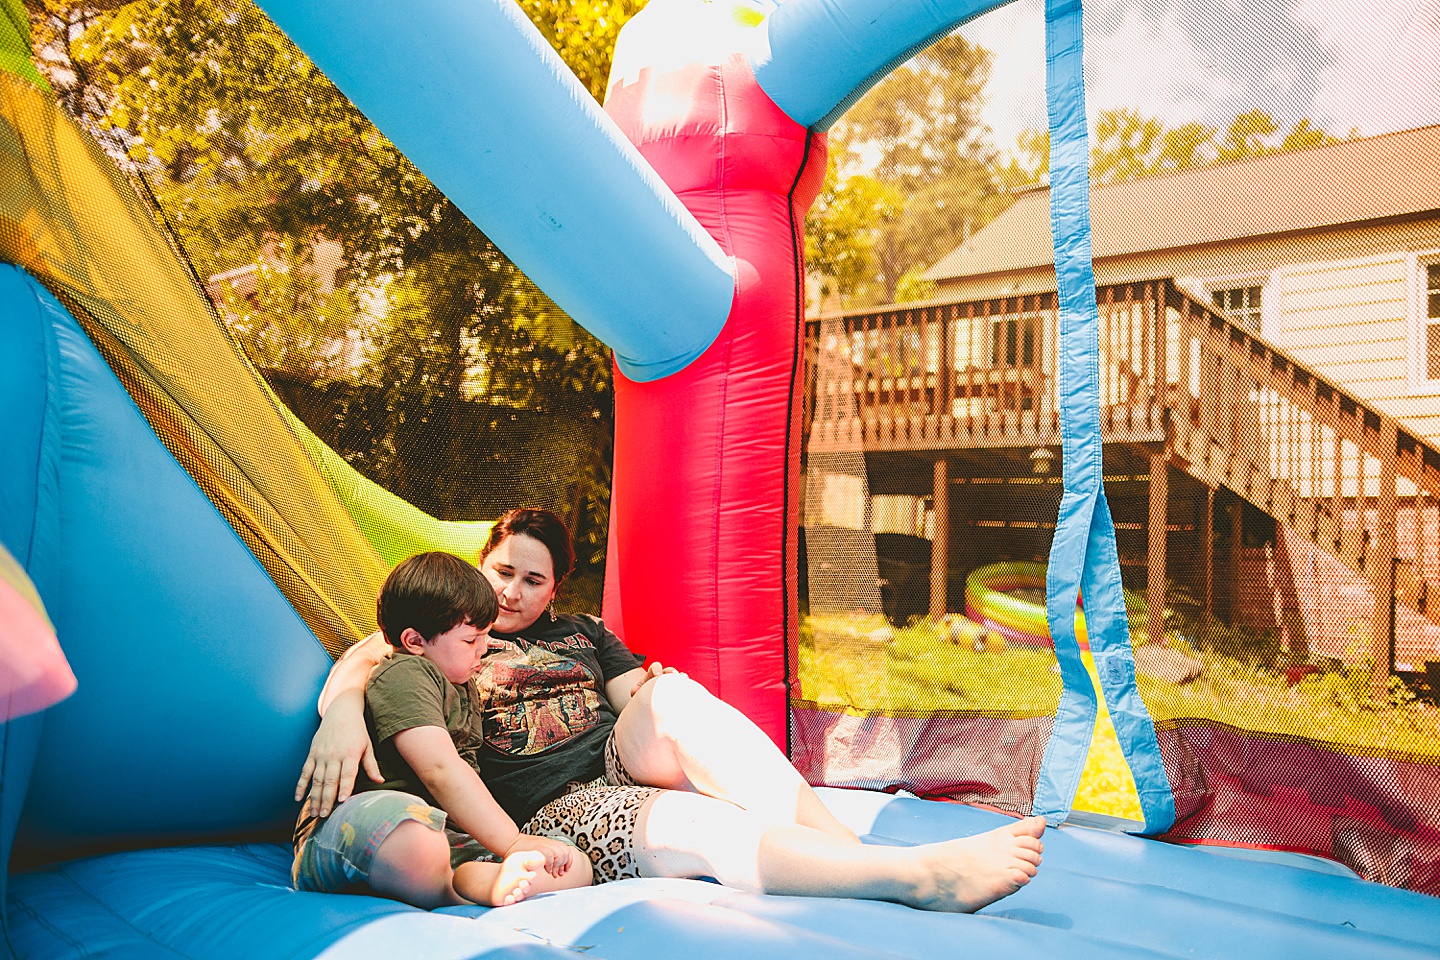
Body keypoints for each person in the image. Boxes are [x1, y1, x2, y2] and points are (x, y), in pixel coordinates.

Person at [297, 509, 1045, 912]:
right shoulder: (452, 630)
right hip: (551, 807)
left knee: (677, 695)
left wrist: (662, 699)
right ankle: (912, 878)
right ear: (479, 568)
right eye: (502, 573)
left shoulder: (584, 633)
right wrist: (340, 709)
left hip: (612, 759)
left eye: (533, 580)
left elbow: (641, 706)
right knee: (701, 827)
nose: (512, 594)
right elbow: (373, 659)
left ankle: (847, 850)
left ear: (557, 588)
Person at [291, 551, 593, 907]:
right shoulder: (403, 674)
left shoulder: (461, 683)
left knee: (572, 862)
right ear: (415, 641)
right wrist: (512, 842)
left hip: (443, 834)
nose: (484, 647)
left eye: (485, 635)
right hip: (355, 828)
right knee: (415, 835)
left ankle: (473, 880)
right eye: (470, 640)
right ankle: (453, 887)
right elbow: (439, 769)